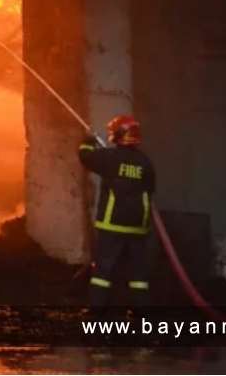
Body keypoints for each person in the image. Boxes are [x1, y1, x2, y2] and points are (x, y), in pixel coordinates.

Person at [78, 114, 156, 309]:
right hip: (137, 227)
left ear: (118, 135)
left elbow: (85, 157)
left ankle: (97, 310)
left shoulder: (109, 157)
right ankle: (141, 311)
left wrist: (88, 140)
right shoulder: (145, 161)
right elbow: (150, 188)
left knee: (103, 271)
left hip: (112, 225)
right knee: (138, 273)